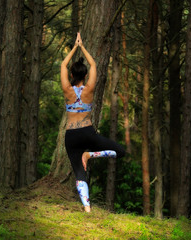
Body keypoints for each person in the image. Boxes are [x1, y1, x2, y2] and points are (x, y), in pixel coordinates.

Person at [60, 32, 125, 213]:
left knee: (79, 173)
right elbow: (94, 64)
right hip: (88, 133)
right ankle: (90, 155)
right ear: (86, 75)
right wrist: (83, 47)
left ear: (72, 74)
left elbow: (63, 64)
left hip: (71, 135)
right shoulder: (90, 89)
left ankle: (87, 208)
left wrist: (75, 47)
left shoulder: (67, 90)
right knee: (120, 151)